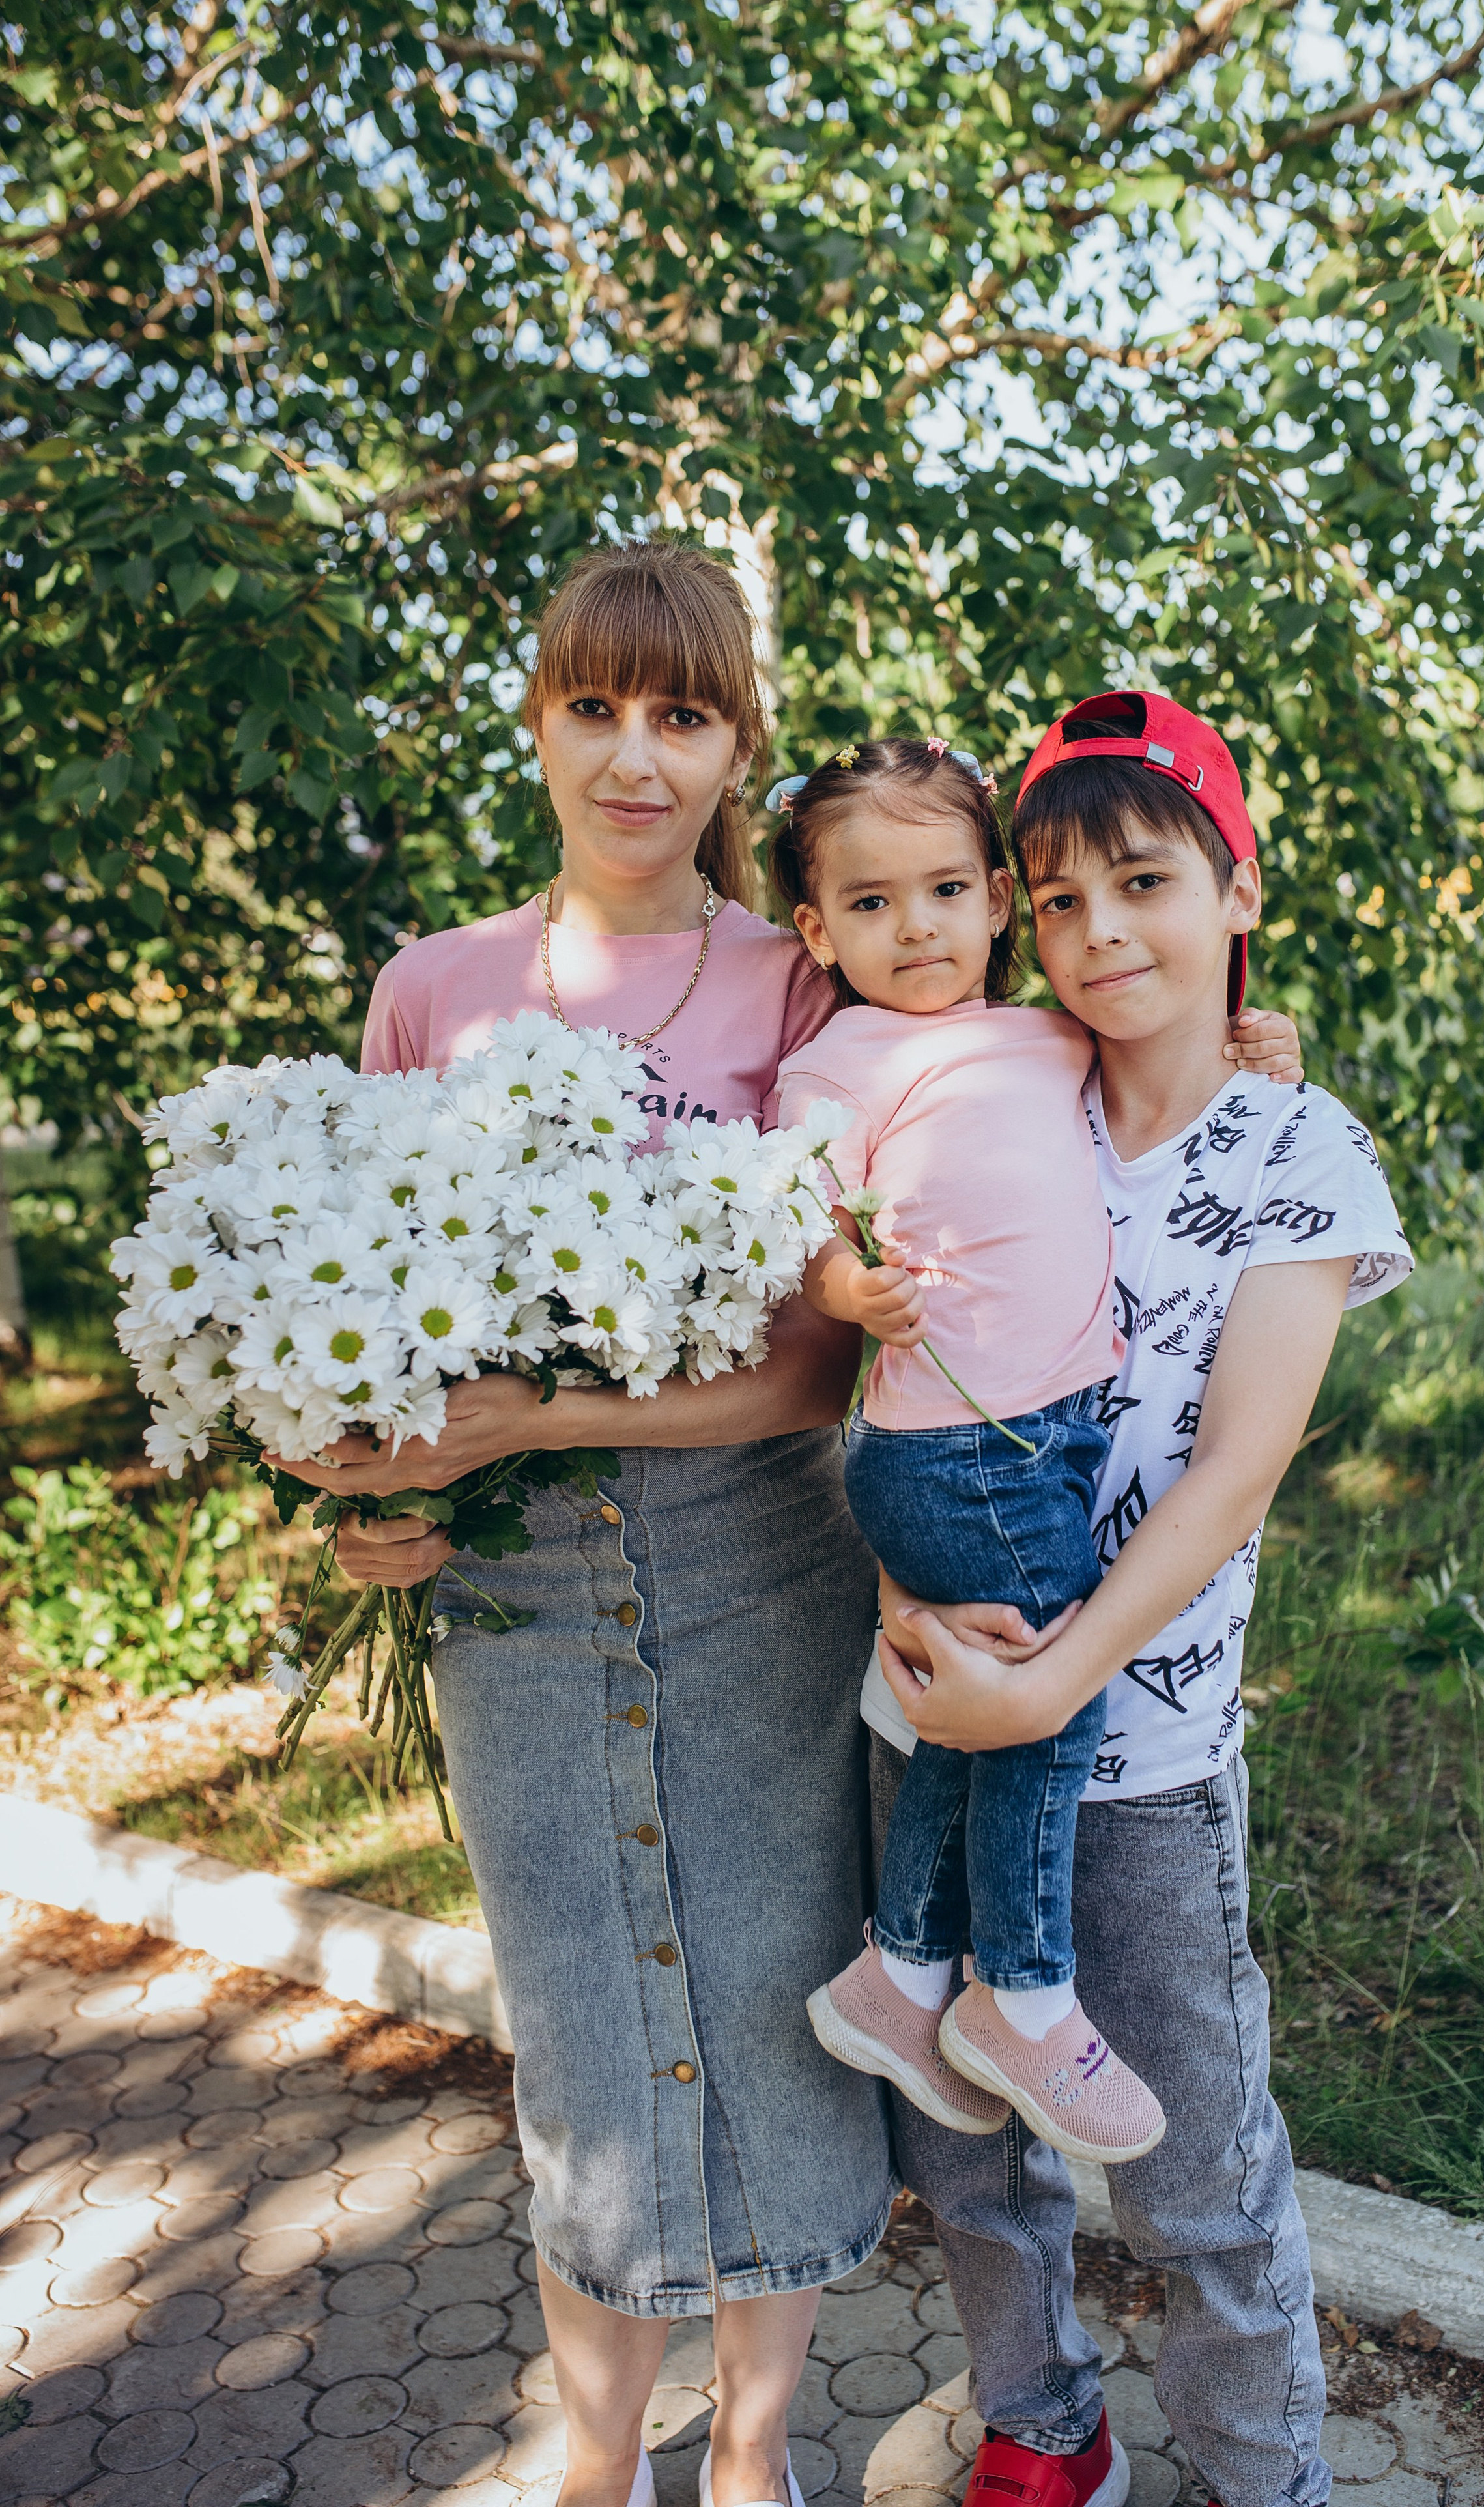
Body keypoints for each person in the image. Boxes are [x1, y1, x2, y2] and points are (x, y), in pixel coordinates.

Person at [274, 539, 892, 2507]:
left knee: (781, 1992)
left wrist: (1242, 1049)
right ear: (539, 719)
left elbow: (813, 1370)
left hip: (763, 1562)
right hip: (517, 1601)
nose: (638, 758)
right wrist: (376, 1509)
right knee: (583, 2029)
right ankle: (599, 2459)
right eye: (598, 707)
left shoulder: (807, 981)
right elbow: (362, 1346)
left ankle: (758, 2455)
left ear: (736, 749)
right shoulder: (431, 991)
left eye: (685, 716)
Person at [866, 693, 1412, 2507]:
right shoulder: (1002, 1089)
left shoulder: (1297, 1152)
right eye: (1061, 904)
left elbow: (1229, 1476)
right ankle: (1045, 2431)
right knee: (963, 2140)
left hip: (1145, 1755)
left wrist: (1059, 1687)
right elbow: (900, 1365)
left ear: (1238, 887)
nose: (1103, 940)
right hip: (949, 1711)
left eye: (1148, 886)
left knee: (1194, 2171)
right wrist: (903, 1597)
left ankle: (1267, 2478)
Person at [771, 735, 1184, 2164]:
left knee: (990, 1696)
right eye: (872, 905)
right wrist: (843, 1288)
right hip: (952, 1446)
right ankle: (1020, 1988)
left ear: (1000, 898)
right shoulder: (832, 1064)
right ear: (817, 931)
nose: (918, 927)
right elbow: (796, 1231)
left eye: (946, 888)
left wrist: (1267, 1045)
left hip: (1038, 1440)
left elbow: (1167, 1063)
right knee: (1044, 1699)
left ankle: (898, 1977)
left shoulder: (1045, 1031)